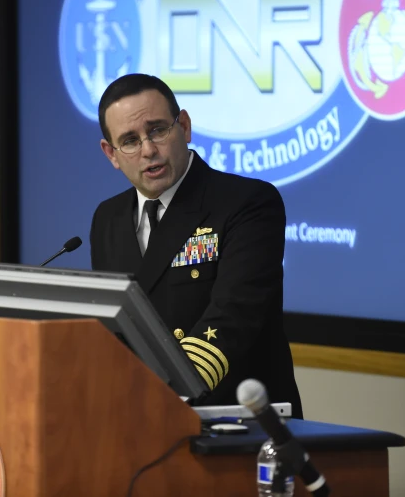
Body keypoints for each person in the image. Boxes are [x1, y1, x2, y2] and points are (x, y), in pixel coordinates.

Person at [89, 74, 303, 417]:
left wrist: (163, 393)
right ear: (111, 154)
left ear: (184, 126)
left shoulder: (247, 203)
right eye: (129, 140)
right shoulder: (108, 218)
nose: (148, 150)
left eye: (157, 130)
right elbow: (117, 330)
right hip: (143, 421)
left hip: (234, 422)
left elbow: (234, 316)